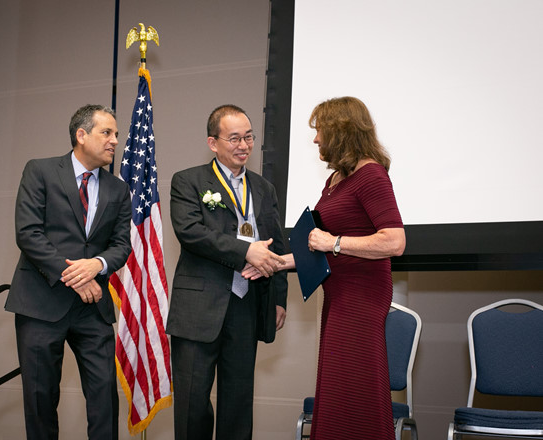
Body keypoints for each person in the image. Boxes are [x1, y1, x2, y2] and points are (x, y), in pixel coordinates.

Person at [245, 96, 406, 439]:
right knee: (338, 386)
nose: (316, 139)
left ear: (341, 130)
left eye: (320, 131)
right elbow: (318, 248)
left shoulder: (371, 175)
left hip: (362, 298)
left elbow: (394, 241)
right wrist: (276, 263)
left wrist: (334, 241)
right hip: (338, 295)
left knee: (356, 386)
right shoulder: (335, 180)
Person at [5, 104, 132, 440]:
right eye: (107, 132)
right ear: (82, 135)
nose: (114, 140)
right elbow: (28, 233)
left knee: (104, 397)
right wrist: (76, 276)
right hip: (40, 304)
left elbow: (122, 245)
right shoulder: (40, 171)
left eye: (116, 134)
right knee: (41, 399)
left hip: (93, 309)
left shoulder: (119, 189)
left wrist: (97, 265)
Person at [167, 104, 288, 440]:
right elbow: (190, 232)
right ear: (213, 143)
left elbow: (277, 244)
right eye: (234, 138)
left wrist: (279, 298)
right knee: (192, 405)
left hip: (247, 305)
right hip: (198, 308)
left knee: (238, 403)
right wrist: (245, 251)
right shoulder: (188, 181)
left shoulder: (263, 188)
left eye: (249, 137)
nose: (243, 145)